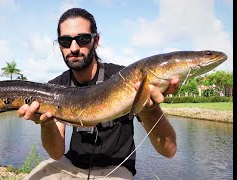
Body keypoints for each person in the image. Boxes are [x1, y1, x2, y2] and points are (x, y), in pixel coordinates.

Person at [18, 7, 178, 180]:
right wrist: (46, 124)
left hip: (116, 169)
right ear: (59, 45)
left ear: (96, 40)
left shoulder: (128, 78)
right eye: (65, 41)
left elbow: (169, 151)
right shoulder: (56, 87)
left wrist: (149, 109)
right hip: (70, 164)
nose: (74, 48)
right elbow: (56, 153)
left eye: (83, 39)